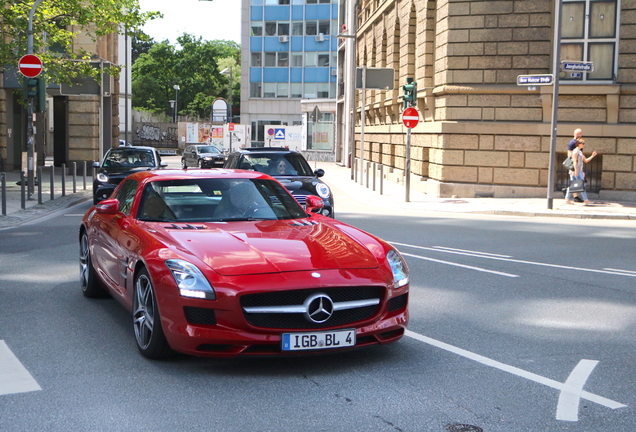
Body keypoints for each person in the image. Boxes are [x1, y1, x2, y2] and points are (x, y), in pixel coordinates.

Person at [565, 139, 597, 205]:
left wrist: (592, 156)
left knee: (572, 185)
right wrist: (576, 171)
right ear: (578, 144)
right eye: (583, 143)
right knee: (582, 185)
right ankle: (586, 200)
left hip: (577, 171)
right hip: (576, 171)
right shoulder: (575, 151)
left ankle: (567, 199)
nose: (584, 144)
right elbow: (574, 161)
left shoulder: (580, 152)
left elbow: (585, 160)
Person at [567, 129, 584, 202]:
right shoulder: (572, 143)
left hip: (578, 165)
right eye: (577, 134)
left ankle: (574, 197)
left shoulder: (579, 143)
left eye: (580, 134)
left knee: (574, 182)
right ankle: (575, 197)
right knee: (578, 182)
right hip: (574, 166)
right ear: (574, 134)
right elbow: (570, 155)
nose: (579, 135)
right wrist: (574, 167)